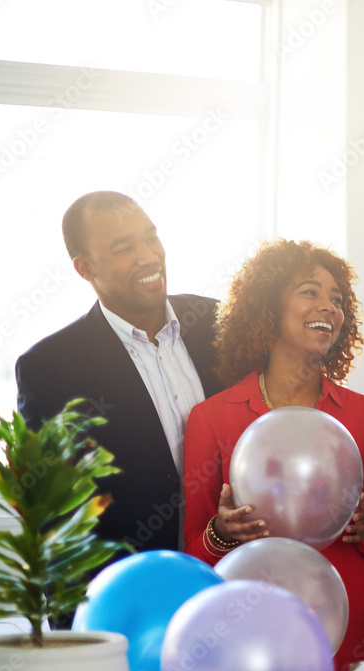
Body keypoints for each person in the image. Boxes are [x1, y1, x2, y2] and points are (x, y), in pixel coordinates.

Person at [182, 239, 364, 671]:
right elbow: (194, 553)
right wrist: (224, 533)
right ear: (267, 307)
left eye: (337, 299)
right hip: (253, 649)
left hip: (358, 641)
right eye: (310, 291)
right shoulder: (211, 417)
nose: (329, 307)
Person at [16, 191, 221, 555]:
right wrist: (75, 612)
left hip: (233, 570)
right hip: (132, 584)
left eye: (150, 237)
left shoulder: (220, 323)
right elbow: (55, 513)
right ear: (85, 268)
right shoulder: (49, 368)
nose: (148, 256)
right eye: (124, 248)